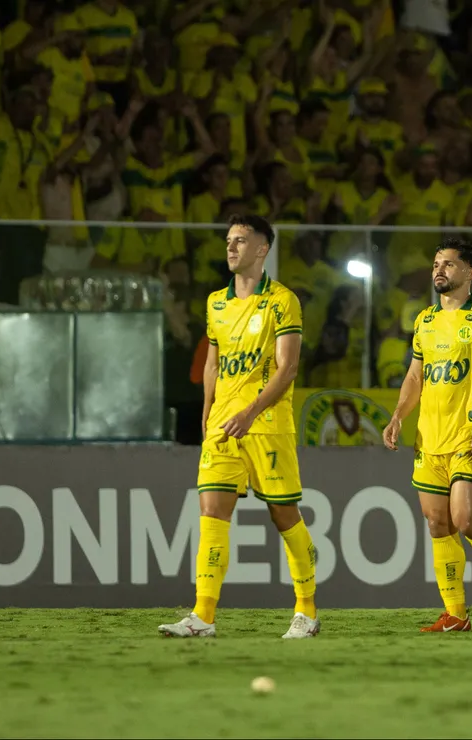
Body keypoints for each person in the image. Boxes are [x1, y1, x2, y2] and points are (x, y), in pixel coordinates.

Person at [159, 215, 320, 640]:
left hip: (266, 424)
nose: (231, 247)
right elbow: (212, 363)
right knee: (212, 513)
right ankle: (203, 615)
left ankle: (306, 610)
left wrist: (249, 413)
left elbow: (287, 369)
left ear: (262, 249)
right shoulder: (216, 302)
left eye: (241, 241)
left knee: (283, 515)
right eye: (229, 240)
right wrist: (207, 411)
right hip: (222, 426)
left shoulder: (283, 301)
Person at [381, 237, 472, 633]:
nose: (438, 270)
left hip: (468, 435)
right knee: (437, 524)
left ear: (469, 272)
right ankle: (456, 614)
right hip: (429, 438)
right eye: (435, 264)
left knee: (467, 520)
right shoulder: (424, 321)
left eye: (447, 264)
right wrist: (398, 416)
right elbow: (415, 376)